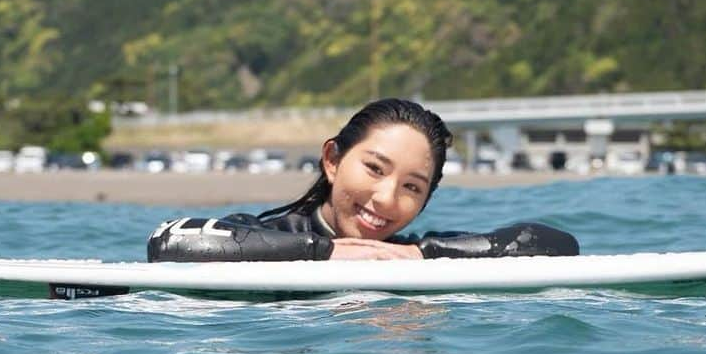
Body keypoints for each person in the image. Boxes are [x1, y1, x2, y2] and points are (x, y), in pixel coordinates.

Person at [147, 98, 579, 262]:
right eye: (374, 168)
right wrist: (323, 252)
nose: (387, 199)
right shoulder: (264, 235)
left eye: (412, 187)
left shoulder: (408, 254)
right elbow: (168, 241)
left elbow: (558, 246)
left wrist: (423, 255)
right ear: (332, 160)